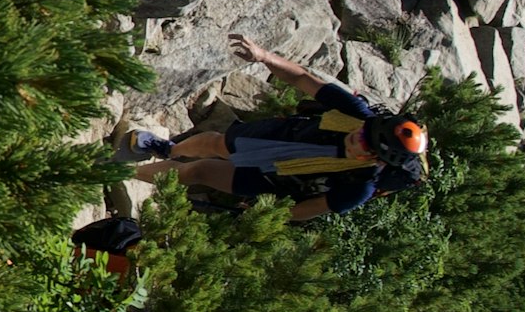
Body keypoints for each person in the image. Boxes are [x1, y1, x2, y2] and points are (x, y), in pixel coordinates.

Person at [119, 32, 429, 223]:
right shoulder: (357, 114)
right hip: (281, 136)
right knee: (214, 142)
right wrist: (264, 56)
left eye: (364, 143)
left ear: (377, 159)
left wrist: (268, 215)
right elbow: (304, 80)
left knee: (199, 172)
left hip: (276, 178)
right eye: (363, 130)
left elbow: (314, 207)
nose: (356, 135)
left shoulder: (359, 187)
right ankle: (168, 148)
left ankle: (124, 172)